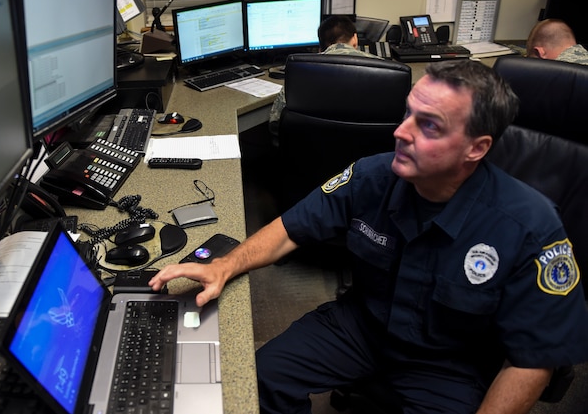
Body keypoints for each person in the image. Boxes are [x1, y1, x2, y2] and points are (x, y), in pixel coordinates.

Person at [150, 59, 588, 414]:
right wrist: (224, 265)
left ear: (476, 148)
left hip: (449, 361)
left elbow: (534, 359)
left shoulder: (531, 224)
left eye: (429, 125)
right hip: (364, 325)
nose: (401, 132)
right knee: (256, 381)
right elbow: (290, 230)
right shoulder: (372, 174)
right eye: (407, 113)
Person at [268, 15, 382, 137]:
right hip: (371, 151)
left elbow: (276, 122)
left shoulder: (300, 71)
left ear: (320, 47)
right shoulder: (385, 68)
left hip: (310, 151)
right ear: (355, 39)